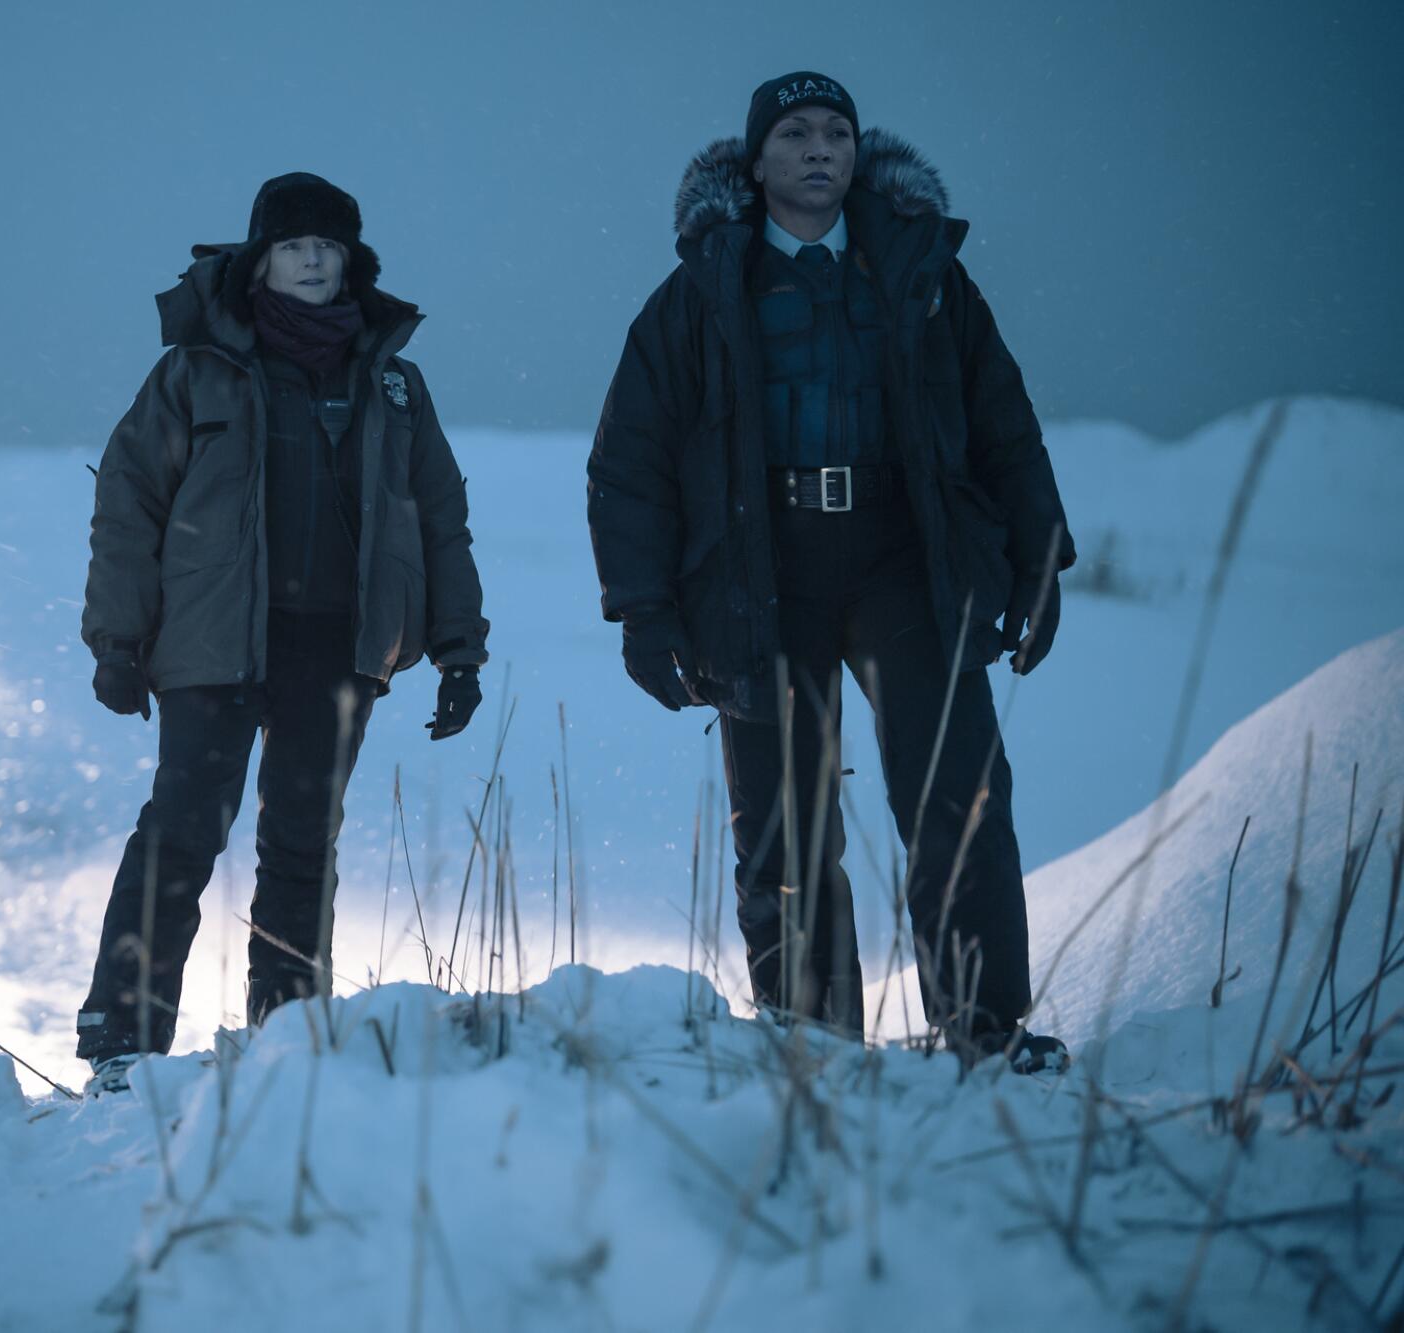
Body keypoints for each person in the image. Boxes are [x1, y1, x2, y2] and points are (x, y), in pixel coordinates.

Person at [587, 72, 1073, 1072]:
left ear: (857, 154)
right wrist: (643, 607)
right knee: (781, 822)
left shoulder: (920, 272)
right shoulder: (700, 291)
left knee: (957, 794)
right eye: (796, 132)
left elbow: (1000, 421)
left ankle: (985, 1031)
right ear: (754, 160)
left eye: (836, 132)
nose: (819, 148)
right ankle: (817, 1045)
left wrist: (1037, 559)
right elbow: (630, 458)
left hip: (905, 561)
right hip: (765, 572)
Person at [78, 172, 490, 1091]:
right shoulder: (197, 368)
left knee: (303, 843)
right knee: (182, 832)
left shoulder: (392, 384)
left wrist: (459, 646)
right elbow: (128, 501)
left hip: (339, 645)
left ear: (351, 261)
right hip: (212, 642)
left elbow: (438, 515)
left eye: (329, 246)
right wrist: (116, 639)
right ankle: (120, 1043)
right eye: (294, 244)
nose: (313, 259)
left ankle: (287, 1047)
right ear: (261, 259)